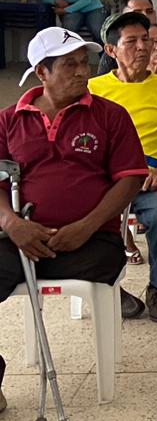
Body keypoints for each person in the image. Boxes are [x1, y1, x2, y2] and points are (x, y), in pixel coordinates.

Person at [0, 29, 146, 324]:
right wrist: (11, 223)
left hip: (92, 238)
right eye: (70, 65)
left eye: (83, 63)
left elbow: (130, 179)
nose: (82, 72)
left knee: (104, 262)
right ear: (42, 72)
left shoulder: (111, 115)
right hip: (20, 237)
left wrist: (86, 226)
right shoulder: (8, 120)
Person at [89, 12, 157, 323]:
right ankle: (112, 288)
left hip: (153, 178)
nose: (143, 47)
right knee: (84, 219)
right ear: (111, 50)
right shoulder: (93, 89)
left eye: (146, 40)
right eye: (132, 41)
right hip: (106, 180)